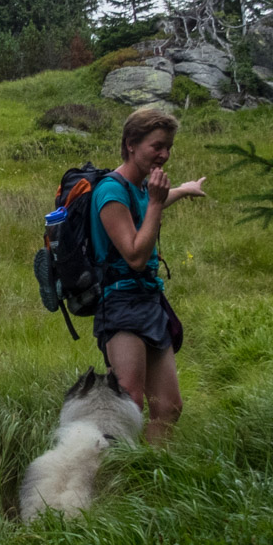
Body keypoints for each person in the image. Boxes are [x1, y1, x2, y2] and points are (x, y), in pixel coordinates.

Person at [91, 106, 205, 445]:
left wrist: (182, 190)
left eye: (168, 147)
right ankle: (109, 480)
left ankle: (149, 482)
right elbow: (136, 256)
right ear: (130, 144)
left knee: (168, 407)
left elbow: (152, 201)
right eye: (157, 146)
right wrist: (155, 202)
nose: (165, 155)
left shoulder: (140, 187)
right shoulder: (110, 192)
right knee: (128, 403)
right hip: (120, 303)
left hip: (149, 301)